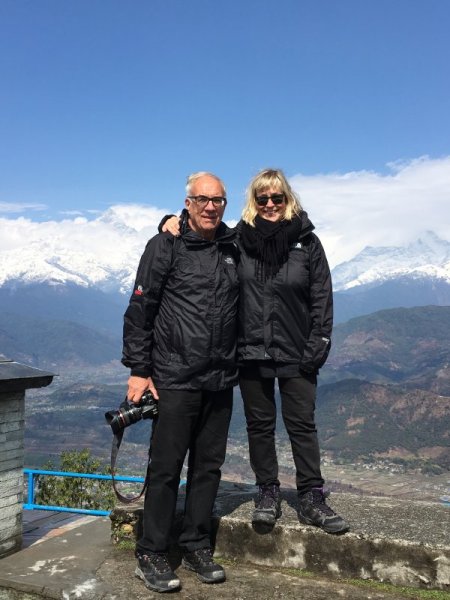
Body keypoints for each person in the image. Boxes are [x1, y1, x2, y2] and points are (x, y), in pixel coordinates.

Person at [162, 168, 349, 535]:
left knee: (301, 425)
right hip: (250, 351)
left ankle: (311, 496)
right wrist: (171, 220)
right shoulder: (239, 240)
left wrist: (318, 346)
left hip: (298, 352)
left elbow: (322, 299)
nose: (270, 204)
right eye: (262, 198)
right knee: (259, 426)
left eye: (277, 197)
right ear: (254, 202)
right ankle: (267, 491)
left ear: (288, 199)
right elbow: (203, 227)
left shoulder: (307, 243)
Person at [122, 172, 239, 593]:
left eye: (218, 200)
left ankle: (195, 544)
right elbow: (141, 309)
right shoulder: (164, 245)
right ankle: (151, 552)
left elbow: (273, 233)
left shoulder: (233, 246)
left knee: (208, 468)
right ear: (187, 203)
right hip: (173, 377)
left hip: (220, 378)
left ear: (225, 204)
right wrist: (139, 369)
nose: (210, 207)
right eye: (202, 199)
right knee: (166, 468)